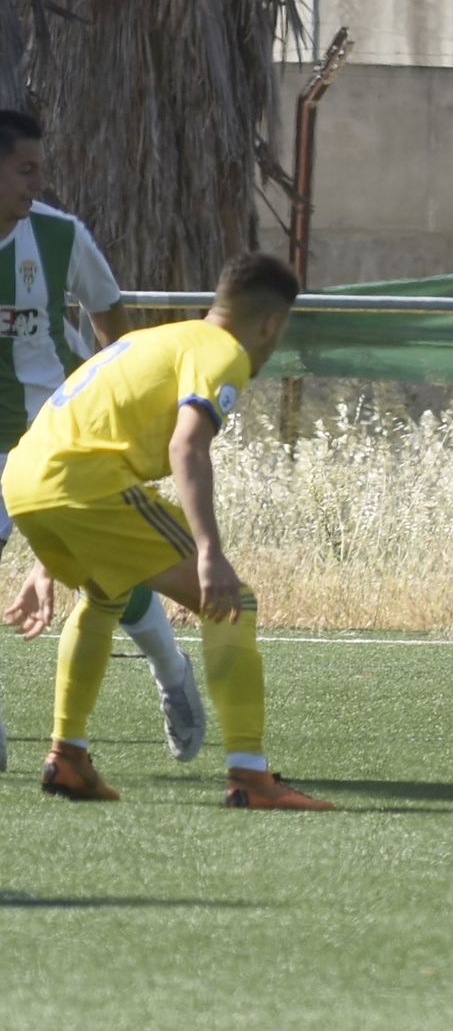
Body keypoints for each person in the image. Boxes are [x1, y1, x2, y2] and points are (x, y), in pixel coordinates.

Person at [2, 250, 332, 809]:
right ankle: (250, 777)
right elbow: (187, 444)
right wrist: (210, 552)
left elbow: (80, 431)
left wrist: (45, 554)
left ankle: (69, 758)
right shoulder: (223, 352)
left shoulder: (161, 339)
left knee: (107, 594)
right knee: (233, 602)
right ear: (272, 323)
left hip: (26, 481)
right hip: (83, 484)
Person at [0, 109, 202, 773]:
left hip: (57, 441)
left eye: (39, 167)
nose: (38, 182)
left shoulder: (58, 237)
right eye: (25, 169)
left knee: (108, 577)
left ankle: (172, 671)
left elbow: (116, 330)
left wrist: (123, 423)